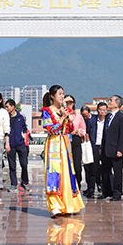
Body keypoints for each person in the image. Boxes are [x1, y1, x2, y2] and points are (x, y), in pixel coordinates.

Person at [42, 85, 84, 217]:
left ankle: (69, 204)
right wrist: (62, 118)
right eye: (59, 94)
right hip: (54, 143)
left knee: (67, 173)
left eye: (63, 94)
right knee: (54, 173)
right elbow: (51, 130)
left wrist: (69, 121)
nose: (62, 96)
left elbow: (68, 130)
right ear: (52, 96)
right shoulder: (47, 111)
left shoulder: (64, 110)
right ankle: (55, 205)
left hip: (65, 144)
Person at [100, 95, 123, 201]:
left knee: (117, 172)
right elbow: (105, 133)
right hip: (106, 149)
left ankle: (117, 192)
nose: (109, 102)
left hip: (116, 149)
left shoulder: (122, 117)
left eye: (111, 100)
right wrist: (102, 147)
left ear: (117, 104)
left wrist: (120, 150)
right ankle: (106, 191)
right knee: (105, 171)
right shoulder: (108, 116)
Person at [4, 98, 30, 192]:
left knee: (24, 164)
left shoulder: (20, 117)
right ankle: (14, 184)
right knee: (12, 166)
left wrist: (25, 140)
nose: (6, 108)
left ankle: (24, 182)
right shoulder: (5, 118)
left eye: (7, 106)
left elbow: (25, 129)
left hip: (21, 144)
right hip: (10, 144)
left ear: (13, 106)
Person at [83, 103, 106, 198]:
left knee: (105, 170)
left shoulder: (108, 121)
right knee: (93, 169)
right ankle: (91, 189)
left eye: (104, 110)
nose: (102, 112)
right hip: (94, 147)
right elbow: (87, 133)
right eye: (101, 110)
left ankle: (105, 189)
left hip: (105, 147)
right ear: (97, 110)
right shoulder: (91, 121)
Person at [65, 95, 85, 190]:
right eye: (67, 102)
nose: (69, 104)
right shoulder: (61, 115)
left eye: (71, 102)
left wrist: (77, 131)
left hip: (76, 141)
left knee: (77, 166)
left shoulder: (78, 116)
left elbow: (83, 130)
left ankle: (77, 185)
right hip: (65, 141)